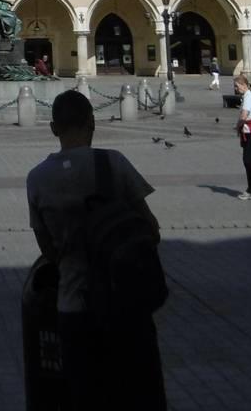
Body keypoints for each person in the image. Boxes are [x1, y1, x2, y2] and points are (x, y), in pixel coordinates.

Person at [26, 90, 165, 403]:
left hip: (73, 306)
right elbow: (151, 230)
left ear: (53, 128)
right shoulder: (113, 163)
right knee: (141, 392)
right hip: (127, 305)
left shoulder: (37, 178)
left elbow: (47, 249)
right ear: (93, 122)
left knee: (83, 394)